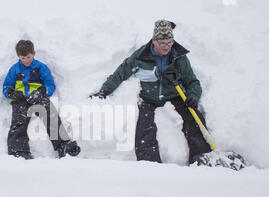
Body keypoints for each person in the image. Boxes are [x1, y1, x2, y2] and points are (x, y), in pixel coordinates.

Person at [90, 20, 212, 164]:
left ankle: (202, 158)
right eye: (163, 43)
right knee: (144, 129)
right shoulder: (141, 56)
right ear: (154, 41)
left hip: (175, 96)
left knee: (194, 121)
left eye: (170, 42)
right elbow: (121, 73)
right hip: (148, 98)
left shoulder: (179, 57)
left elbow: (193, 82)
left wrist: (193, 96)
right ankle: (150, 164)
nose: (167, 47)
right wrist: (105, 90)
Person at [3, 40, 80, 159]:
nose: (26, 60)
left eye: (28, 57)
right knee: (19, 120)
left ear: (33, 54)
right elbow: (7, 85)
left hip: (38, 97)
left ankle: (63, 145)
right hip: (21, 99)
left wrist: (42, 91)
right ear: (18, 56)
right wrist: (11, 93)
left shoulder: (41, 67)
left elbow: (50, 84)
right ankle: (18, 150)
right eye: (23, 58)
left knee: (50, 113)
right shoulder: (14, 69)